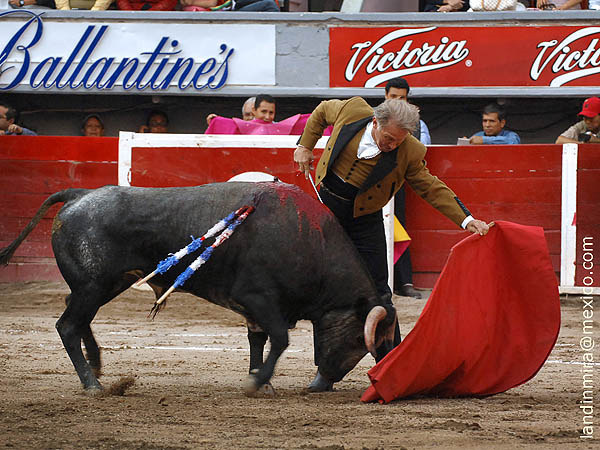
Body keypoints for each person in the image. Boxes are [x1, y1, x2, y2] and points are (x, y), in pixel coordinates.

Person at [294, 97, 489, 391]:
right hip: (327, 209)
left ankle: (391, 369)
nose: (392, 145)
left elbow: (430, 185)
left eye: (399, 141)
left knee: (379, 293)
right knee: (327, 291)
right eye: (388, 138)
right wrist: (304, 145)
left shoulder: (410, 150)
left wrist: (466, 219)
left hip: (365, 219)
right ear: (375, 122)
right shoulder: (352, 110)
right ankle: (327, 372)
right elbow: (321, 111)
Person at [384, 77, 429, 298]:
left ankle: (404, 281)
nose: (398, 101)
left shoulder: (414, 121)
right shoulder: (374, 116)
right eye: (394, 97)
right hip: (370, 181)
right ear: (386, 97)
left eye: (402, 98)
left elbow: (410, 148)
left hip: (397, 181)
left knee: (399, 223)